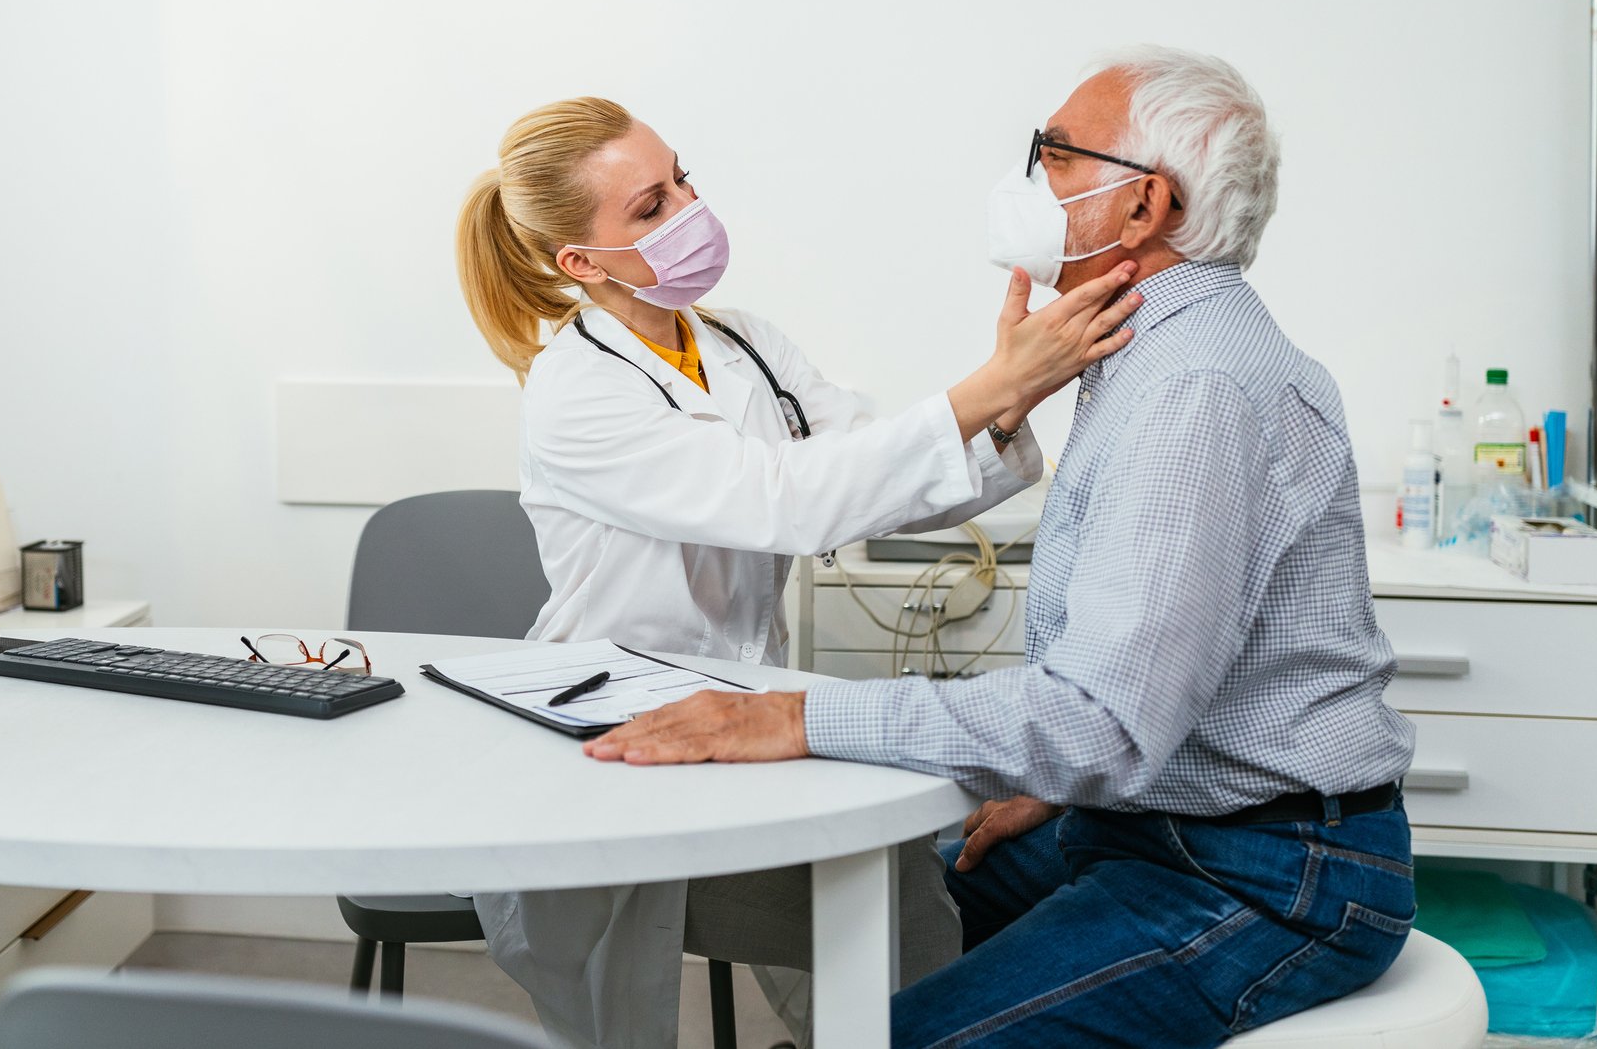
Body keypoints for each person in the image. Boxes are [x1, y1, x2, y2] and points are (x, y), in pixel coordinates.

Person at [586, 48, 1418, 1049]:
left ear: (1144, 205)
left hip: (1258, 875)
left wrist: (799, 717)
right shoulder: (1150, 347)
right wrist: (1061, 780)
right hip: (1152, 820)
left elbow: (1099, 719)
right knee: (886, 915)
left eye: (1053, 154)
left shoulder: (1191, 387)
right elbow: (1138, 690)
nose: (1029, 178)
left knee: (886, 1028)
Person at [453, 95, 1143, 1049]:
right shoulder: (576, 392)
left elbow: (872, 478)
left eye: (680, 180)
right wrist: (989, 384)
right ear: (580, 262)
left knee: (886, 892)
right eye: (651, 206)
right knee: (626, 1007)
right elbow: (783, 499)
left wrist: (1006, 407)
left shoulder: (741, 343)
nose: (690, 209)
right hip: (605, 732)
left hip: (735, 714)